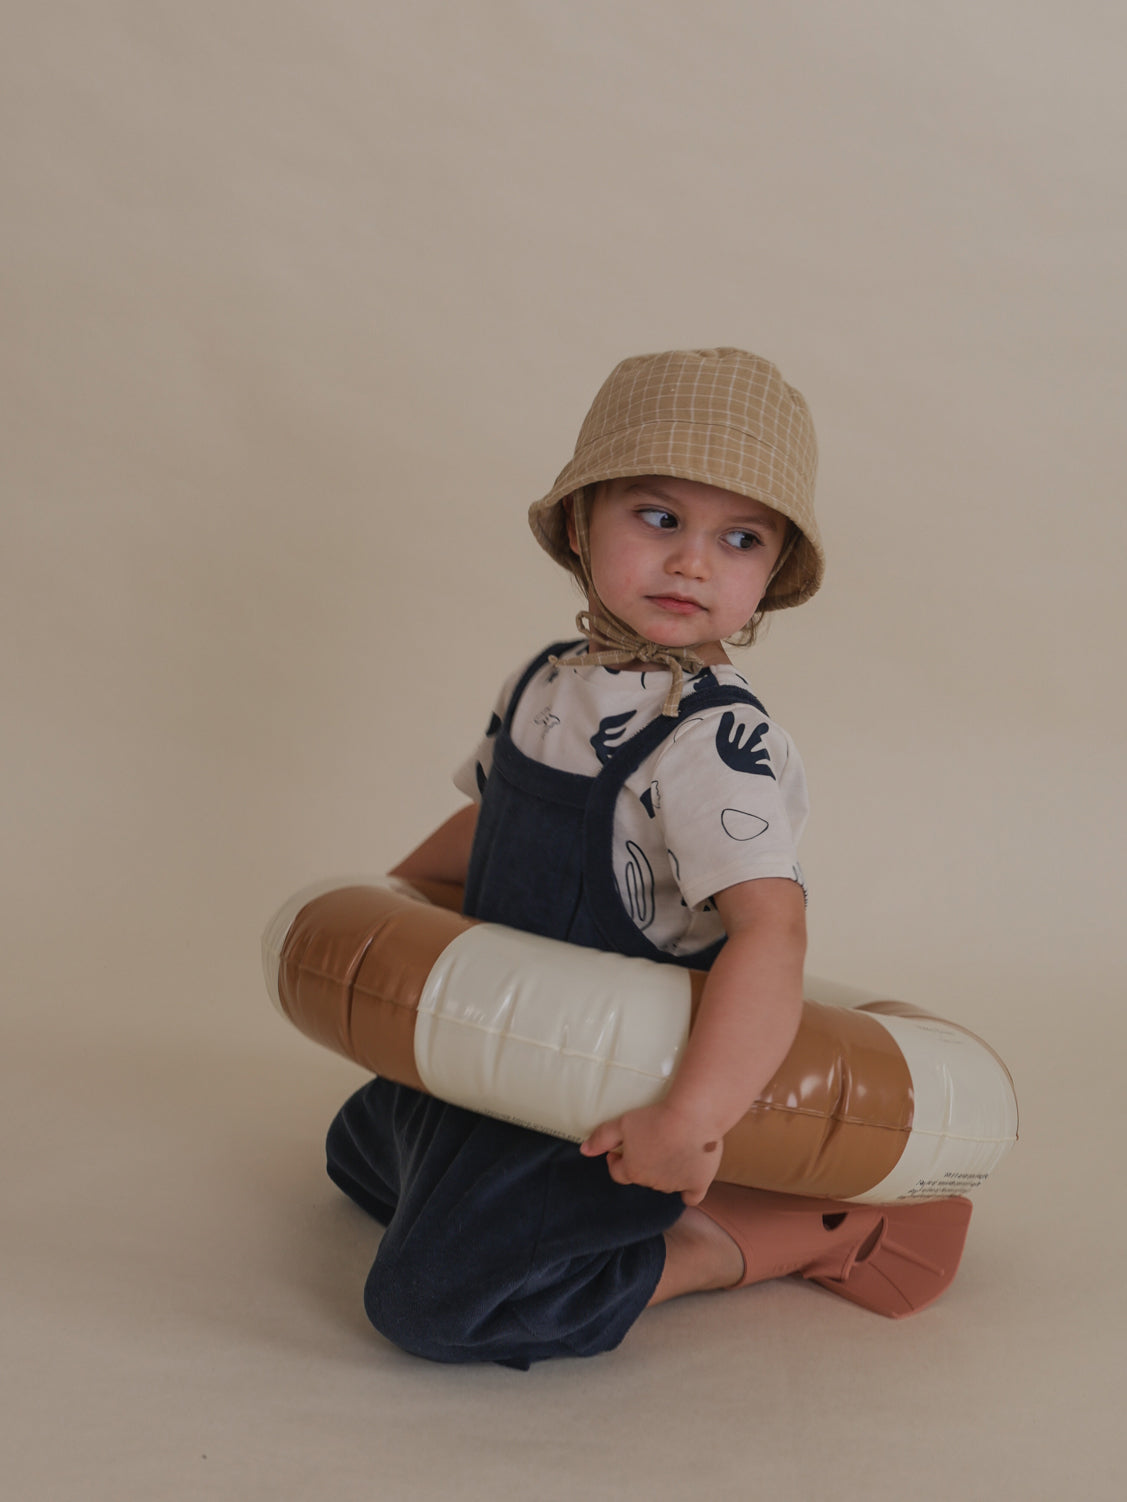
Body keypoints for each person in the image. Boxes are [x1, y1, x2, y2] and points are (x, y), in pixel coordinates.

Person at [325, 347, 971, 1367]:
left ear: (770, 575)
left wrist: (688, 1117)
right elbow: (493, 821)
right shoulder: (545, 679)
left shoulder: (713, 740)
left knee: (432, 1302)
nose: (692, 564)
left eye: (739, 538)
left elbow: (770, 930)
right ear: (581, 525)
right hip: (508, 1041)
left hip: (601, 1082)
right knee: (355, 1154)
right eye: (659, 517)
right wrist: (393, 907)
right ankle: (514, 1203)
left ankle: (752, 1235)